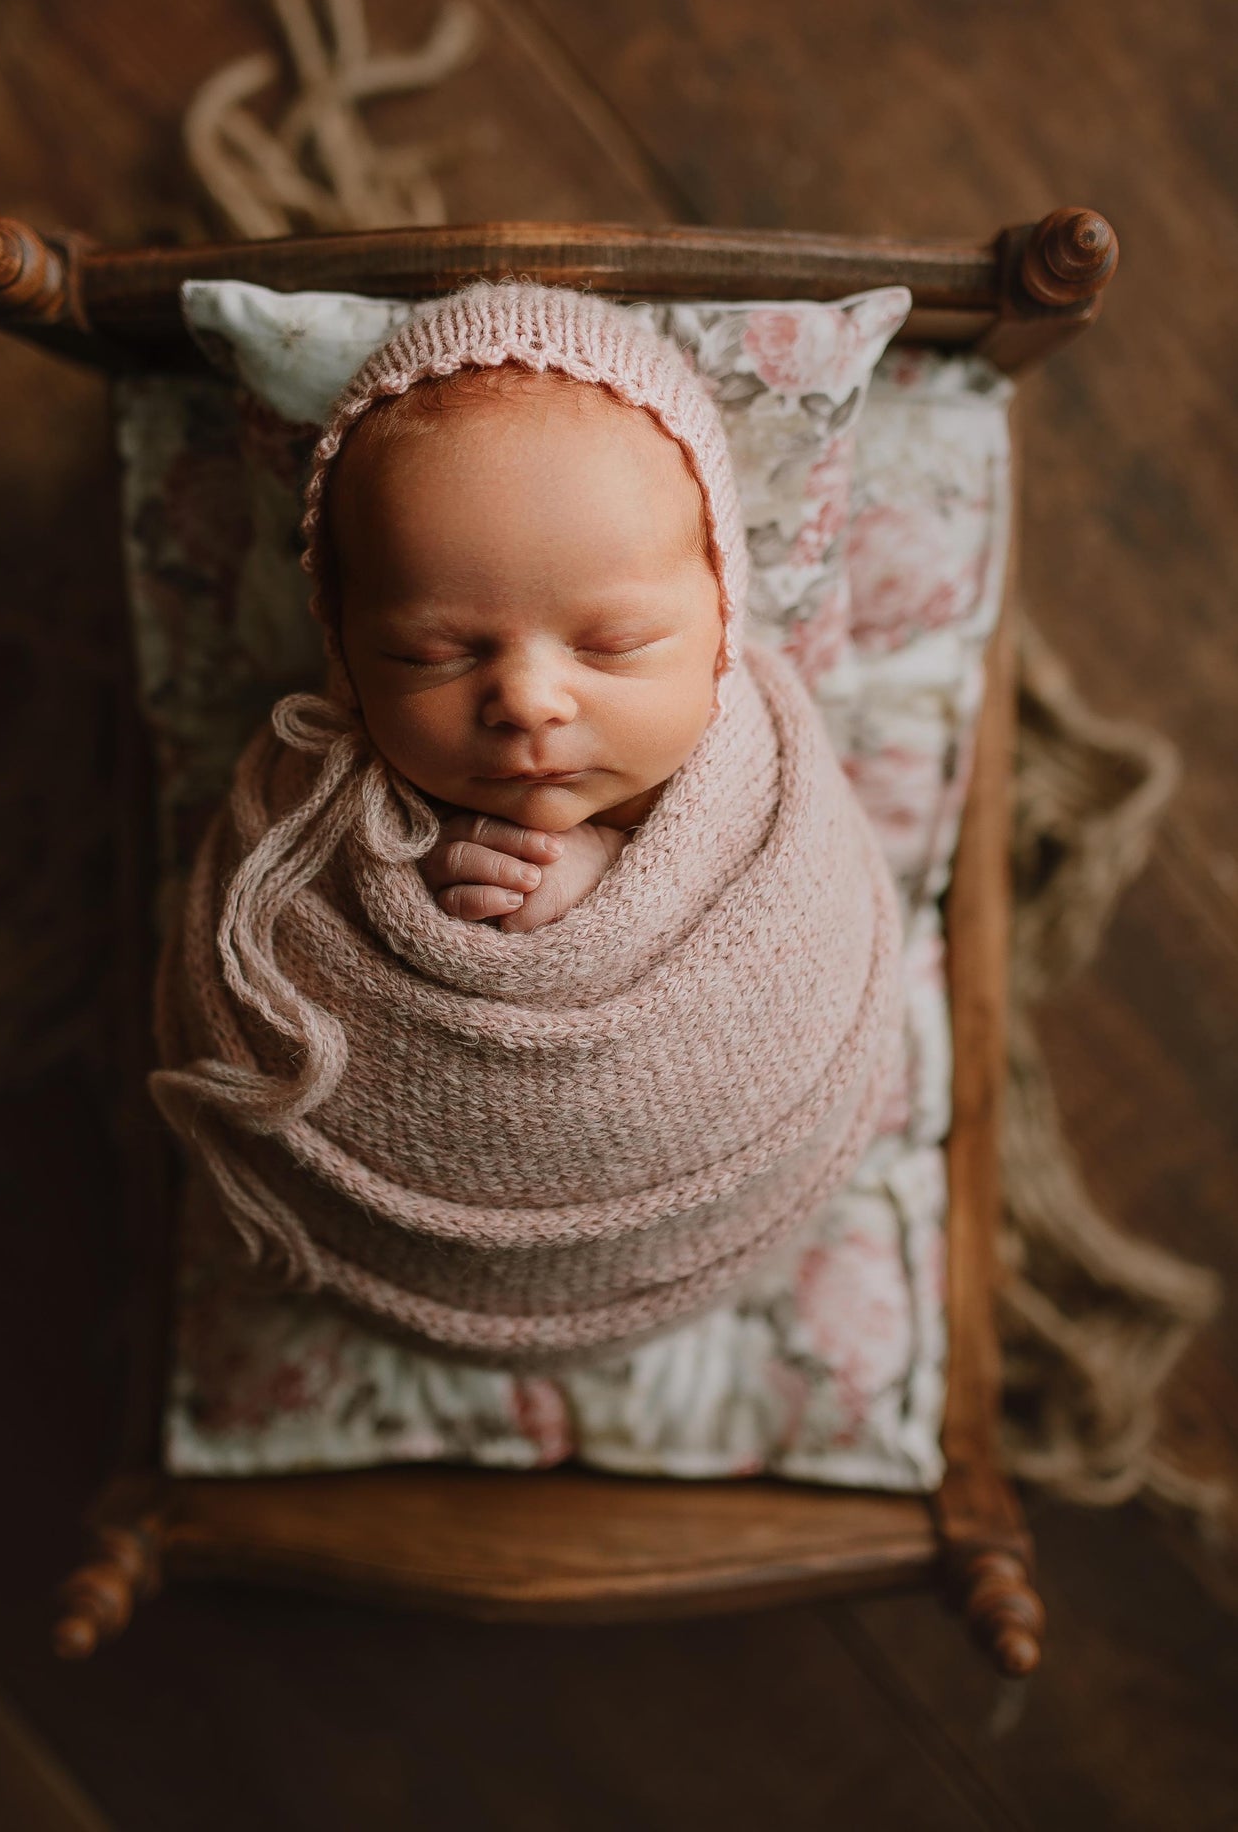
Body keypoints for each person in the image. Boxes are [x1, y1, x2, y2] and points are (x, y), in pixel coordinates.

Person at [152, 283, 902, 1362]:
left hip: (715, 1190)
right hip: (403, 1254)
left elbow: (806, 944)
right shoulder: (302, 809)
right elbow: (244, 990)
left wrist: (613, 883)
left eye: (612, 643)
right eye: (435, 653)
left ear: (722, 618)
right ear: (346, 656)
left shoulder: (764, 783)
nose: (528, 701)